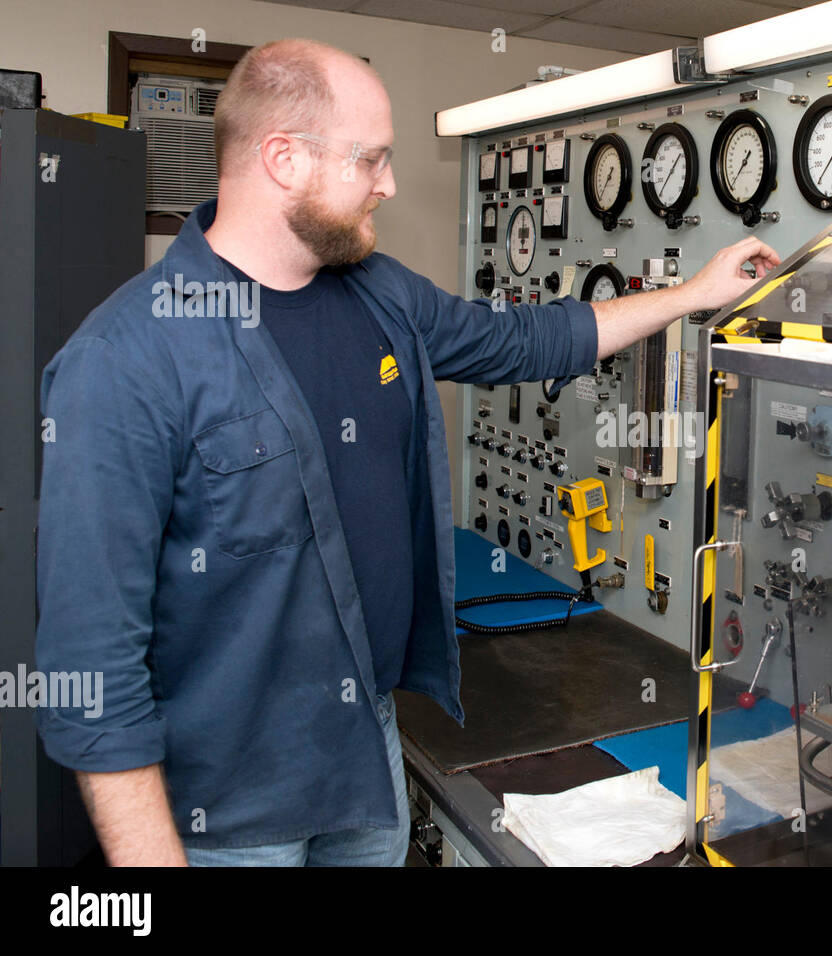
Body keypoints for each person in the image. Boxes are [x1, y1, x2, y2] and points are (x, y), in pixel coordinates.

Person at [35, 37, 780, 866]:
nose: (389, 183)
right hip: (231, 808)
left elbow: (522, 342)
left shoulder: (379, 293)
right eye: (372, 160)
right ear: (284, 159)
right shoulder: (125, 360)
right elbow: (91, 665)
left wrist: (695, 295)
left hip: (369, 753)